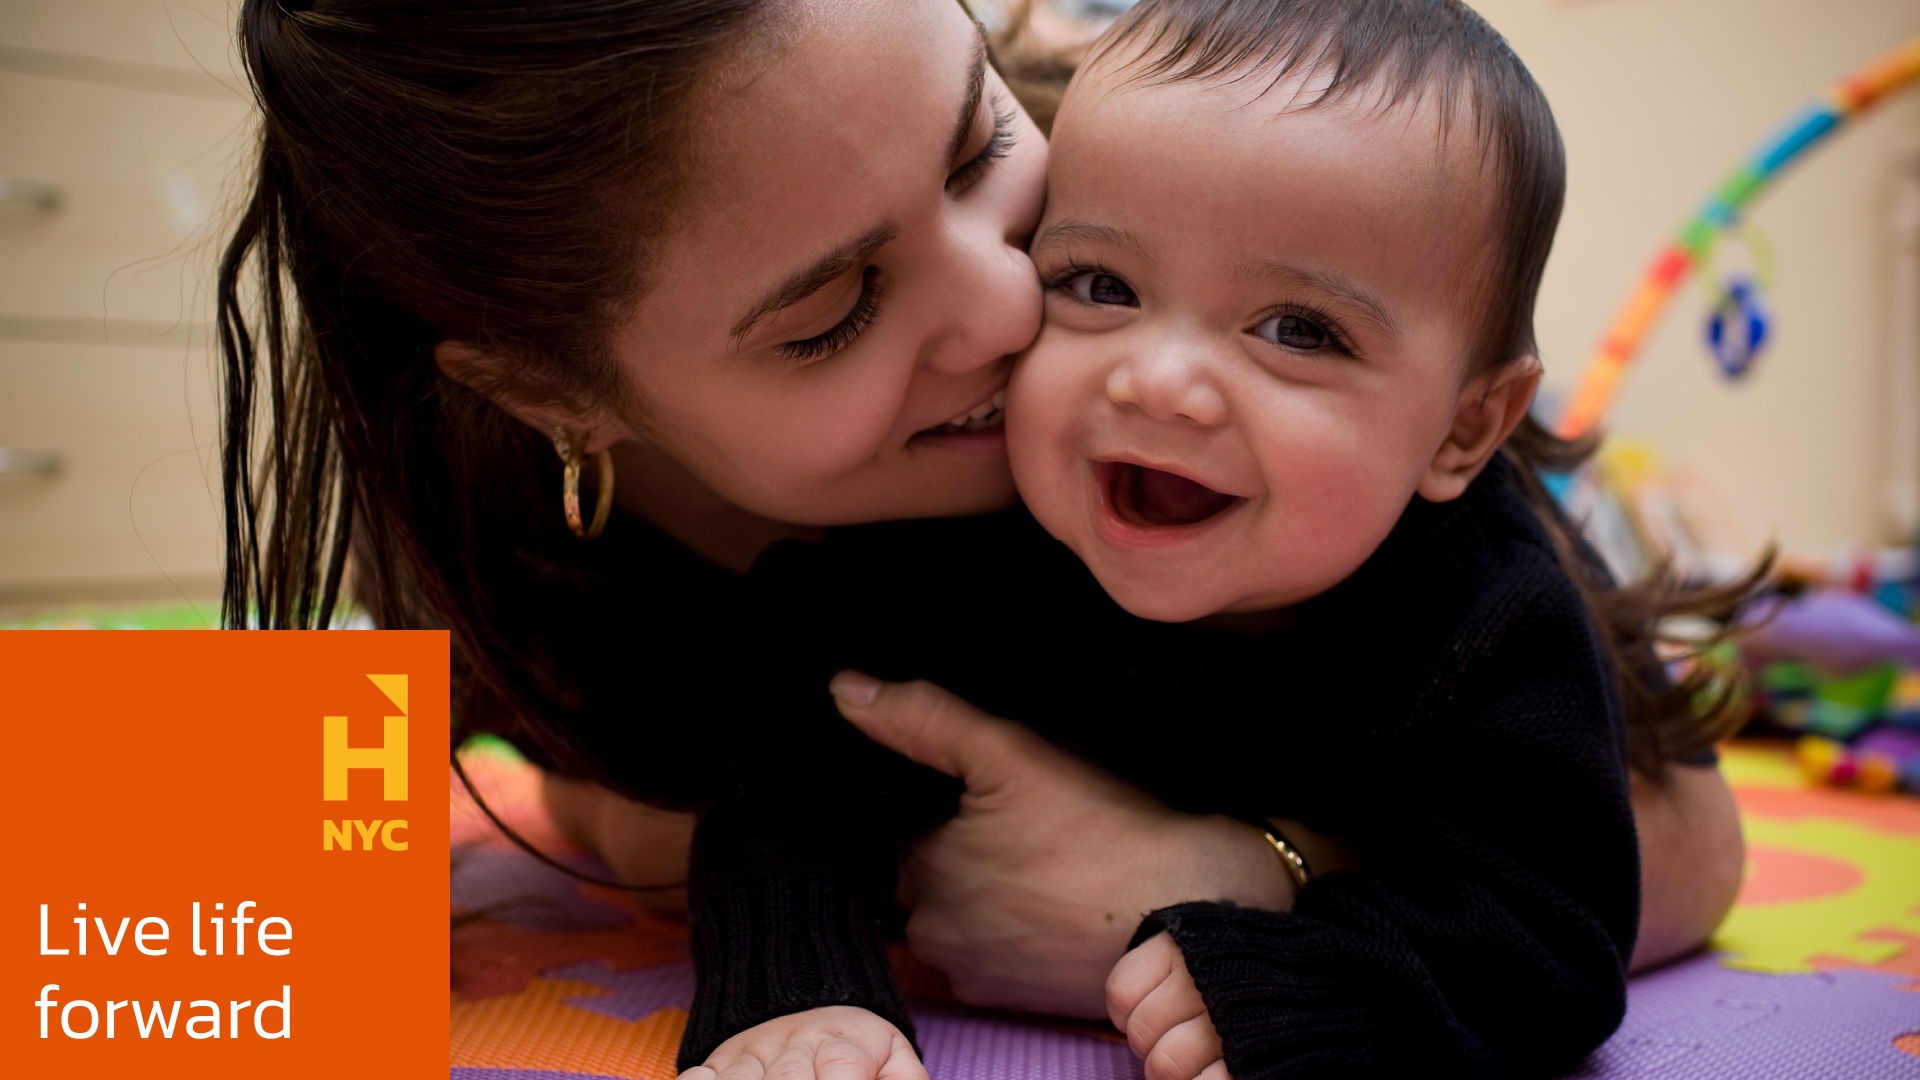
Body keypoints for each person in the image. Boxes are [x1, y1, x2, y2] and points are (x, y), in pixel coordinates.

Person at [217, 0, 1745, 1066]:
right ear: (558, 396)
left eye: (975, 153)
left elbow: (1679, 837)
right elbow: (152, 924)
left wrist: (1238, 873)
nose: (1016, 302)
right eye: (830, 313)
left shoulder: (1181, 185)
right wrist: (660, 835)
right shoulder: (484, 528)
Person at [670, 2, 1768, 1078]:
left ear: (1468, 425)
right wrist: (799, 990)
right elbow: (786, 768)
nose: (1158, 382)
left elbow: (1548, 930)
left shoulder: (1485, 624)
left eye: (1298, 331)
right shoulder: (959, 535)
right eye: (1101, 286)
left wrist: (1309, 980)